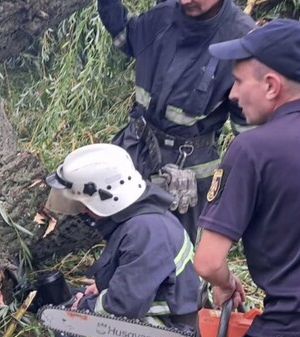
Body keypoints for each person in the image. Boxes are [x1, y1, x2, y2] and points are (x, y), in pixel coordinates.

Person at [161, 19, 300, 337]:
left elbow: (208, 260)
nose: (233, 93)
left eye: (239, 80)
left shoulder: (252, 149)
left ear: (270, 84)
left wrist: (224, 284)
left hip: (294, 335)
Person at [44, 143, 201, 337]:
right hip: (161, 316)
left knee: (76, 336)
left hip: (175, 336)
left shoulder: (146, 232)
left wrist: (85, 312)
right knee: (73, 313)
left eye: (83, 203)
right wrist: (98, 291)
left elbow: (122, 306)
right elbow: (130, 278)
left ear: (104, 198)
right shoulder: (138, 218)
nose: (80, 210)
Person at [98, 0, 255, 241]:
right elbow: (125, 36)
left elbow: (250, 138)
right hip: (136, 147)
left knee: (175, 248)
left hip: (188, 171)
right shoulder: (161, 17)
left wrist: (231, 199)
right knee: (124, 235)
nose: (184, 1)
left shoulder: (242, 39)